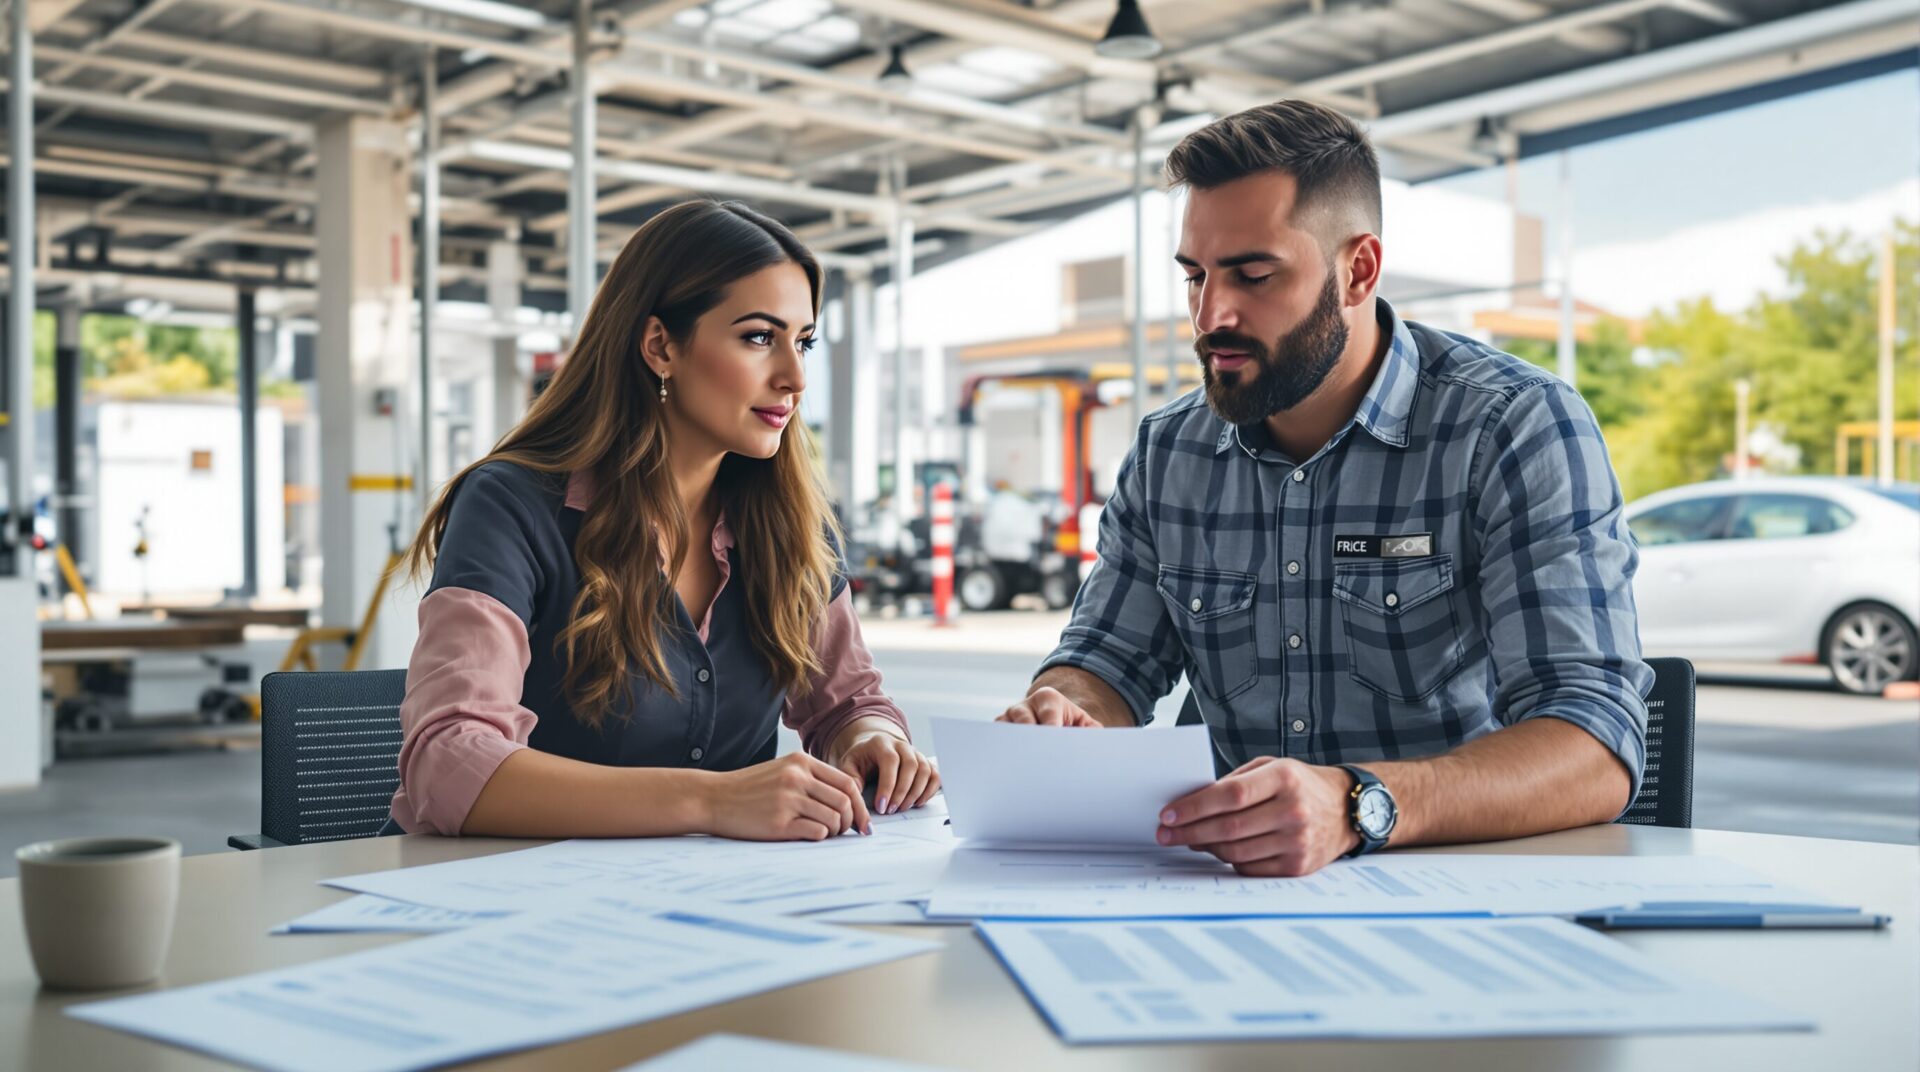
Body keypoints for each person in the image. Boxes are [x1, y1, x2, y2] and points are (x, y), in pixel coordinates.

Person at [998, 101, 1651, 877]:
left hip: (1458, 891)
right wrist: (1067, 711)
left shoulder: (1513, 426)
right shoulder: (1170, 450)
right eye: (1195, 276)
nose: (1212, 315)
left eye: (1253, 273)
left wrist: (1355, 807)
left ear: (1359, 271)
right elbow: (1106, 664)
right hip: (1230, 898)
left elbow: (1595, 740)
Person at [387, 199, 939, 841]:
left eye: (803, 341)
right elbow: (449, 762)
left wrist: (872, 739)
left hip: (725, 911)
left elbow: (847, 702)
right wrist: (711, 802)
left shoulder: (790, 523)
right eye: (759, 337)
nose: (794, 376)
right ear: (660, 346)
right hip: (529, 906)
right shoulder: (511, 505)